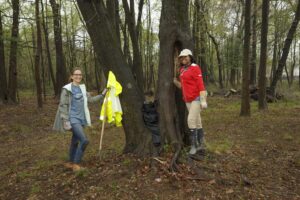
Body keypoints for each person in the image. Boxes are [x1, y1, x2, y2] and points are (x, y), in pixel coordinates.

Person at [53, 68, 107, 171]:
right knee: (84, 140)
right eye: (76, 74)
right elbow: (63, 105)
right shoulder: (67, 89)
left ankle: (70, 162)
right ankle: (76, 165)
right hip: (72, 119)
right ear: (72, 76)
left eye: (80, 75)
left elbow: (91, 100)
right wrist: (65, 120)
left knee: (75, 141)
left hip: (81, 119)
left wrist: (103, 94)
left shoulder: (82, 88)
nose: (78, 76)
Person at [173, 49, 207, 159]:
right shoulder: (182, 70)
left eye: (185, 57)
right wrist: (174, 81)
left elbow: (200, 84)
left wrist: (203, 99)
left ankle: (194, 146)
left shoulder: (194, 67)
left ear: (190, 57)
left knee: (191, 120)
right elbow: (183, 86)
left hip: (196, 98)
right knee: (197, 121)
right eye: (182, 58)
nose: (184, 59)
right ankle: (202, 144)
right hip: (187, 99)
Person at [142, 90, 161, 157]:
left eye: (149, 97)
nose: (148, 98)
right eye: (147, 97)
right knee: (155, 130)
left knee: (156, 130)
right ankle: (157, 141)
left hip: (152, 119)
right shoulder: (146, 104)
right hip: (150, 120)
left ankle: (157, 141)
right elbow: (148, 112)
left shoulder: (152, 103)